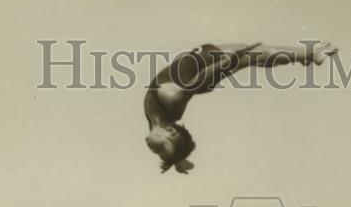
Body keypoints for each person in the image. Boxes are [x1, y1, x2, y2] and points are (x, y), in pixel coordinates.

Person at [143, 39, 337, 174]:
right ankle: (312, 53)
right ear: (171, 132)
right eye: (160, 148)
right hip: (207, 64)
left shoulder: (158, 120)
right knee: (257, 53)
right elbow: (196, 82)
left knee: (257, 56)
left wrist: (178, 160)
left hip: (201, 67)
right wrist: (230, 62)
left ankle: (304, 56)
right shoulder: (169, 102)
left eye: (158, 150)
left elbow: (192, 87)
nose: (153, 148)